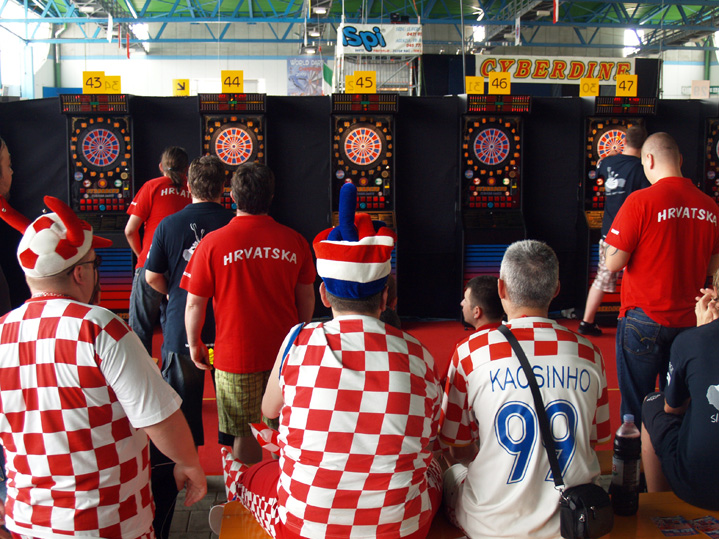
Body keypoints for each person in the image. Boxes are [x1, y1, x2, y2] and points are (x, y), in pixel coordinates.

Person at [222, 182, 443, 539]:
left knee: (253, 476)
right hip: (402, 530)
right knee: (436, 471)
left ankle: (234, 482)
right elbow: (430, 436)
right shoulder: (419, 354)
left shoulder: (298, 340)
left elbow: (269, 409)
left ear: (324, 294)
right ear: (385, 297)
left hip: (305, 527)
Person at [0, 196, 206, 539]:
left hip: (28, 520)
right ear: (80, 272)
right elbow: (157, 415)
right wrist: (188, 463)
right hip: (107, 521)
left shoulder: (2, 332)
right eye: (96, 263)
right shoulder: (100, 328)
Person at [440, 240, 611, 539]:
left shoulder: (470, 352)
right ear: (556, 289)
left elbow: (456, 445)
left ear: (501, 289)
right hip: (571, 521)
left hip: (489, 524)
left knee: (449, 473)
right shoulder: (590, 353)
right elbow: (594, 440)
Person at [182, 162, 316, 464]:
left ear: (232, 196)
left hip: (235, 356)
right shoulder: (295, 241)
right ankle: (282, 487)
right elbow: (306, 296)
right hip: (284, 353)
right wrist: (299, 339)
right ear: (271, 196)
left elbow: (194, 303)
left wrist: (194, 343)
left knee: (243, 432)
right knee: (282, 429)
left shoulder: (212, 244)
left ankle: (246, 491)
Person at [143, 155, 232, 538]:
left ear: (189, 187)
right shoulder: (234, 221)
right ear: (222, 186)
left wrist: (176, 296)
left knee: (181, 412)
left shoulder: (168, 224)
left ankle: (181, 482)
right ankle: (238, 484)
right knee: (234, 414)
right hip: (227, 331)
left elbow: (152, 277)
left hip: (182, 329)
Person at [605, 132, 719, 425]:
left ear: (649, 159)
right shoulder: (710, 206)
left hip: (643, 317)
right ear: (680, 160)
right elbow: (713, 265)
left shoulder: (639, 201)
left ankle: (634, 455)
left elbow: (614, 262)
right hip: (690, 320)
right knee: (678, 405)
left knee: (635, 407)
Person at [640, 272, 719, 510]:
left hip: (698, 487)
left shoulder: (692, 340)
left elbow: (673, 408)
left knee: (653, 403)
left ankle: (659, 505)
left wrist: (703, 331)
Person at [579, 124, 650, 336]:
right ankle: (635, 321)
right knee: (637, 279)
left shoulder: (608, 162)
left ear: (624, 141)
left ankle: (586, 322)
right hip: (635, 233)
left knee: (602, 278)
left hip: (610, 231)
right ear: (644, 144)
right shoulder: (642, 168)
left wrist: (609, 157)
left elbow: (597, 170)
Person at [125, 146, 191, 355]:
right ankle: (170, 371)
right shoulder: (192, 190)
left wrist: (142, 256)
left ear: (161, 166)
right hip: (180, 269)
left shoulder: (152, 186)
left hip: (151, 264)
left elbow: (130, 230)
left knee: (140, 328)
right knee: (172, 327)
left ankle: (141, 372)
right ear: (186, 169)